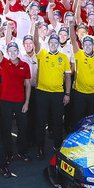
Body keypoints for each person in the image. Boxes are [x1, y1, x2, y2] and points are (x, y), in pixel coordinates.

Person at [33, 32, 72, 160]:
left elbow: (67, 77)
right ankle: (40, 147)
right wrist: (36, 29)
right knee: (40, 121)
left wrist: (67, 94)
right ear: (48, 44)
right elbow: (35, 42)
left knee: (57, 120)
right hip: (42, 92)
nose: (53, 45)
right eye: (51, 43)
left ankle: (57, 145)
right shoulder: (42, 54)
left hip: (57, 93)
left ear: (58, 44)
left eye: (56, 42)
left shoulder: (64, 57)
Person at [0, 40, 32, 164]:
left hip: (20, 102)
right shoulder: (4, 63)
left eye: (14, 50)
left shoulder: (25, 65)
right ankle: (8, 153)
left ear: (18, 52)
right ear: (7, 53)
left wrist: (27, 103)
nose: (12, 53)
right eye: (10, 51)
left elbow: (27, 85)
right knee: (6, 129)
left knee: (22, 128)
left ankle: (22, 152)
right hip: (6, 102)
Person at [69, 34, 94, 125]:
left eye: (90, 44)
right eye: (85, 44)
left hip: (93, 94)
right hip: (79, 93)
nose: (87, 47)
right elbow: (73, 40)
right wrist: (71, 25)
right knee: (77, 118)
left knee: (92, 120)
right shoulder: (78, 54)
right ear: (82, 46)